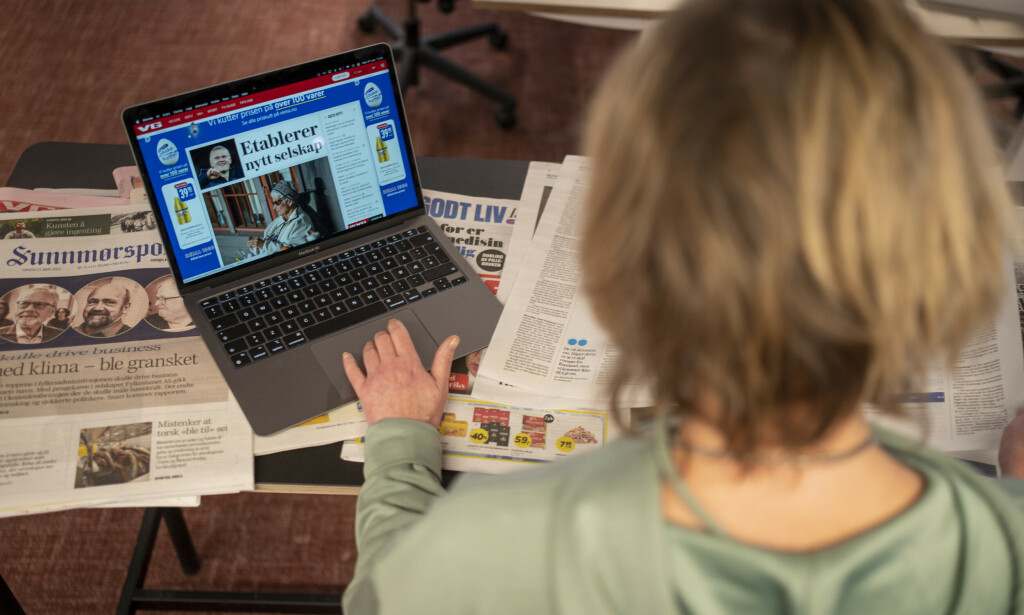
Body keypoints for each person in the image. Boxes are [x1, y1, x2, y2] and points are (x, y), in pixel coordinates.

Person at [340, 1, 1024, 613]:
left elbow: (386, 593)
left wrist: (400, 449)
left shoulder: (478, 555)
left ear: (618, 260)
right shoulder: (1004, 556)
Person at [246, 180, 319, 256]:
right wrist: (255, 245)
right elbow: (266, 243)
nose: (274, 207)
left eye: (277, 203)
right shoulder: (279, 220)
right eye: (273, 203)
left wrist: (264, 245)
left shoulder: (301, 222)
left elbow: (292, 252)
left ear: (289, 202)